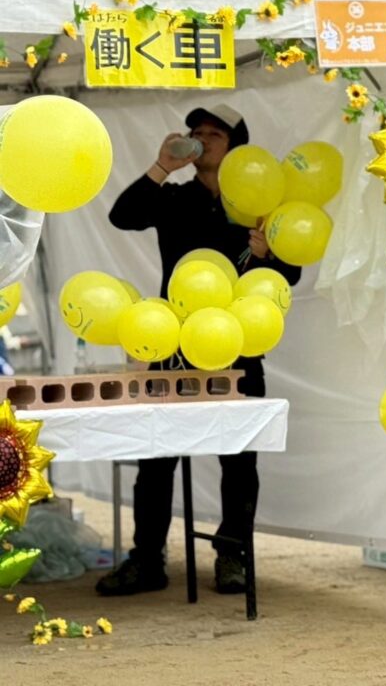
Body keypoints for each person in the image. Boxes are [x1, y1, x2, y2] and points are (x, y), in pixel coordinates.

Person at [96, 104, 301, 596]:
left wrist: (268, 254)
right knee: (156, 455)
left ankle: (233, 556)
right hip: (173, 342)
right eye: (196, 132)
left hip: (239, 342)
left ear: (236, 149)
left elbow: (290, 277)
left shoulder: (259, 204)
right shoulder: (176, 197)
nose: (202, 139)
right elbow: (122, 215)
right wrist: (162, 165)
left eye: (214, 133)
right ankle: (147, 560)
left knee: (238, 459)